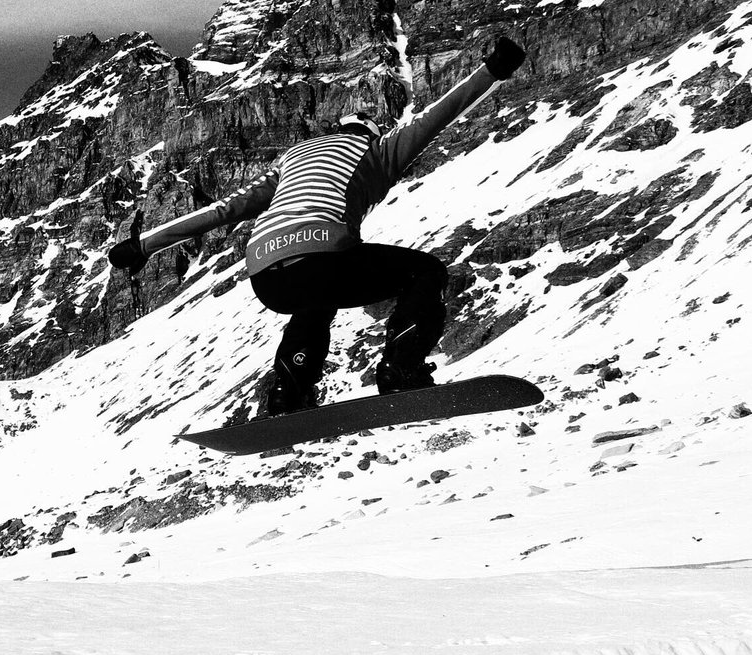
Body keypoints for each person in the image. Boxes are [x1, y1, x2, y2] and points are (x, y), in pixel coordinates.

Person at [108, 36, 526, 415]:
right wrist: (494, 70)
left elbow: (221, 211)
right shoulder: (377, 151)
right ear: (370, 132)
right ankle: (401, 371)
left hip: (265, 273)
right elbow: (438, 116)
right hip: (323, 253)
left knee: (315, 301)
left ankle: (287, 394)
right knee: (426, 272)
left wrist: (143, 246)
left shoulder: (290, 160)